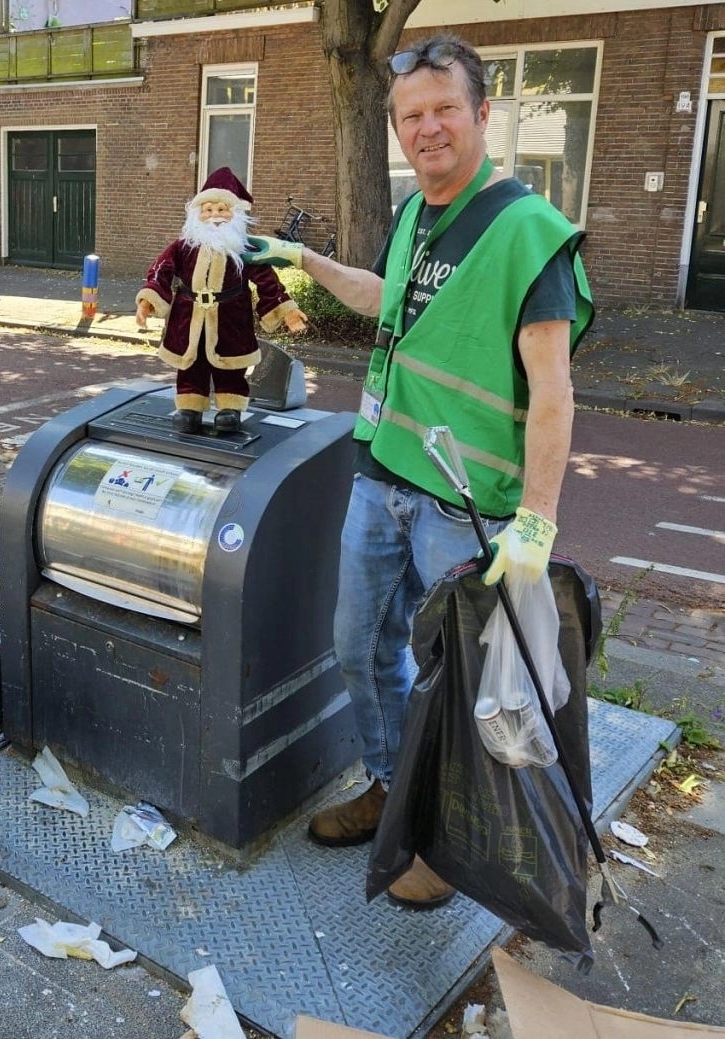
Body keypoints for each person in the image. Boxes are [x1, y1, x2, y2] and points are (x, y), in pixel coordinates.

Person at [248, 33, 593, 908]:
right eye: (411, 116)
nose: (427, 128)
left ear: (482, 115)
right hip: (383, 474)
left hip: (465, 508)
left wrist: (537, 524)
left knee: (456, 689)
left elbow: (553, 392)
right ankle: (389, 790)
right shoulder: (415, 215)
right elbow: (386, 297)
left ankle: (439, 844)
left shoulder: (529, 232)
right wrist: (301, 263)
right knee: (358, 650)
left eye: (445, 109)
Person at [136, 166, 309, 434]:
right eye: (208, 210)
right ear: (197, 214)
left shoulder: (244, 247)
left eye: (221, 210)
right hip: (188, 315)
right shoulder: (182, 246)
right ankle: (189, 408)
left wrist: (287, 311)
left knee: (230, 367)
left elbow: (266, 279)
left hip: (231, 317)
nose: (215, 216)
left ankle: (230, 409)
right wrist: (148, 300)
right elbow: (160, 270)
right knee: (191, 365)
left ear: (235, 214)